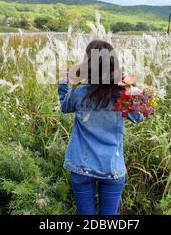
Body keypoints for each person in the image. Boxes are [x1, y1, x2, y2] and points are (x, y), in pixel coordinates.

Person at [57, 39, 144, 215]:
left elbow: (64, 107)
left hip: (81, 167)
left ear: (88, 65)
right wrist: (129, 88)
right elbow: (138, 117)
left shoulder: (79, 93)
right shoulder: (121, 96)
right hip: (112, 167)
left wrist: (62, 83)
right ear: (114, 66)